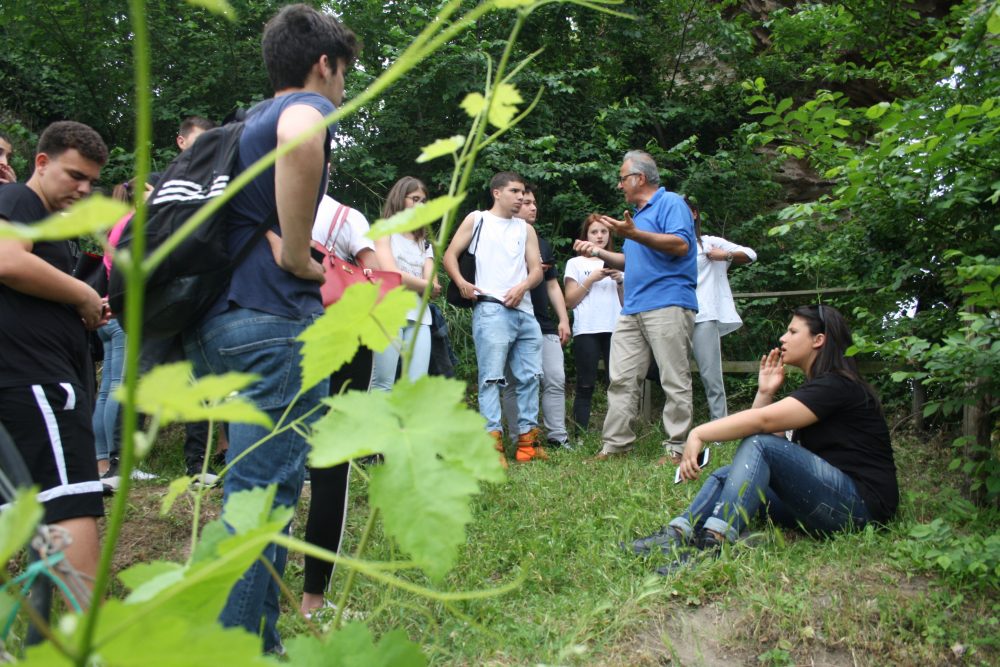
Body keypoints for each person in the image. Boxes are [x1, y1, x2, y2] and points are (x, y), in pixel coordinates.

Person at [180, 4, 359, 652]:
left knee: (245, 495)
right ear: (323, 64)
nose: (343, 90)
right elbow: (305, 138)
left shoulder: (234, 126)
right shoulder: (303, 111)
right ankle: (240, 651)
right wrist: (296, 255)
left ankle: (252, 638)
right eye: (344, 76)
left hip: (214, 323)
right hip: (272, 322)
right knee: (265, 502)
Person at [630, 305, 899, 575]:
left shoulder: (836, 386)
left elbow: (763, 428)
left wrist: (699, 433)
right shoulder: (819, 389)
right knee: (727, 475)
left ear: (818, 340)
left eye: (793, 331)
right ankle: (678, 533)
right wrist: (765, 392)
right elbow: (761, 440)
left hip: (859, 509)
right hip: (825, 502)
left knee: (762, 448)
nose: (783, 337)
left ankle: (714, 544)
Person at [0, 120, 110, 599]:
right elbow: (6, 259)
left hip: (23, 381)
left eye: (91, 181)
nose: (83, 188)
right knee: (71, 500)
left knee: (23, 510)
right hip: (37, 383)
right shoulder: (19, 201)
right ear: (41, 163)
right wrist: (84, 294)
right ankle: (89, 636)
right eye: (74, 175)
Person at [573, 150, 697, 464]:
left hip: (668, 302)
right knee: (622, 378)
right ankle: (615, 447)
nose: (619, 186)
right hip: (632, 308)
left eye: (622, 178)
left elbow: (681, 244)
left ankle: (677, 448)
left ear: (639, 178)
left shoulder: (672, 204)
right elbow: (630, 260)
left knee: (673, 377)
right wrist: (597, 252)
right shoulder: (637, 216)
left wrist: (634, 233)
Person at [299, 192, 378, 617]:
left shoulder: (245, 195)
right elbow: (374, 271)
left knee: (268, 462)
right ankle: (313, 598)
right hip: (342, 333)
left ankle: (250, 593)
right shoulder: (344, 215)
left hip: (268, 327)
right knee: (332, 462)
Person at [443, 171, 545, 464]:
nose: (521, 197)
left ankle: (528, 443)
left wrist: (523, 285)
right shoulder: (477, 219)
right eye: (515, 191)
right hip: (490, 308)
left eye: (523, 192)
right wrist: (461, 282)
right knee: (491, 378)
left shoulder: (526, 229)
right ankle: (492, 447)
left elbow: (536, 269)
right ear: (496, 192)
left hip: (524, 311)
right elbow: (450, 255)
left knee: (530, 377)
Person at [501, 184, 571, 449]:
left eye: (533, 202)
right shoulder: (500, 238)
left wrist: (563, 319)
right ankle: (520, 439)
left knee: (555, 378)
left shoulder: (541, 243)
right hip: (511, 319)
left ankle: (558, 437)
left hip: (543, 323)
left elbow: (552, 284)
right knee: (513, 383)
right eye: (526, 202)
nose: (532, 206)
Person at [689, 198, 756, 422]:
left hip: (704, 315)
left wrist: (724, 255)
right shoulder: (666, 245)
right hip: (674, 315)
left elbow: (750, 254)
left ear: (695, 214)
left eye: (684, 212)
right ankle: (677, 433)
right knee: (673, 376)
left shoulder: (708, 243)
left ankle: (719, 429)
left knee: (711, 375)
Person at [371, 176, 440, 390]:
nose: (421, 205)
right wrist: (422, 284)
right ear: (400, 198)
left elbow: (434, 286)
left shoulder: (425, 241)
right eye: (415, 199)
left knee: (416, 385)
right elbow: (391, 273)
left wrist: (416, 283)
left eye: (424, 200)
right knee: (384, 382)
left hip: (420, 317)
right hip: (388, 313)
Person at [563, 214, 623, 436]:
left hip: (617, 329)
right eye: (594, 232)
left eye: (603, 232)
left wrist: (620, 281)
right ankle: (580, 435)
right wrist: (591, 279)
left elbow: (628, 303)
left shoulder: (619, 260)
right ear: (585, 236)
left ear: (610, 234)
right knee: (585, 383)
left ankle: (616, 434)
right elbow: (569, 301)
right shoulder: (575, 263)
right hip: (587, 329)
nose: (599, 236)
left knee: (616, 383)